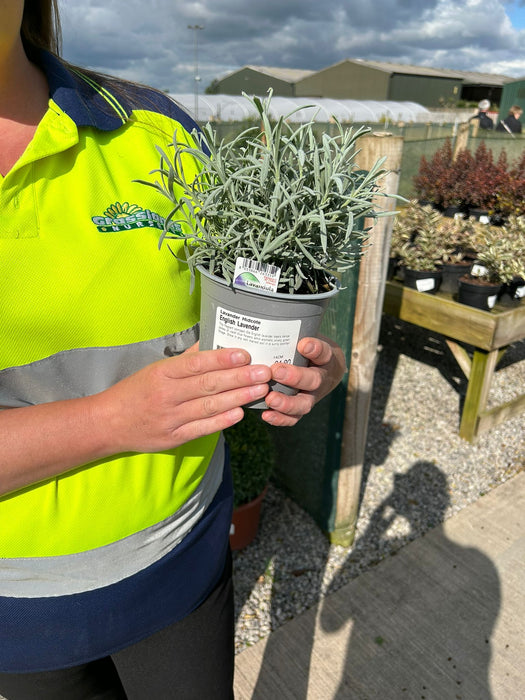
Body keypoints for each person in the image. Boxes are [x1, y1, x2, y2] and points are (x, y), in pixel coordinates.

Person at [0, 2, 346, 699]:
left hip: (185, 561)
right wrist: (110, 421)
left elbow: (240, 290)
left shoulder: (154, 127)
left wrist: (297, 359)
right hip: (23, 609)